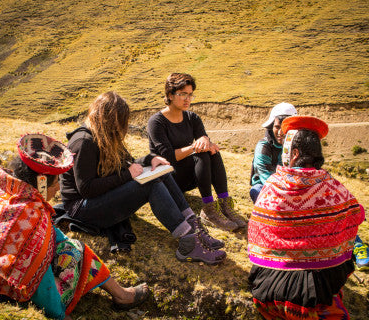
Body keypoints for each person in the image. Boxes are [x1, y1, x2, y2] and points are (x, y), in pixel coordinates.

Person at [0, 133, 150, 320]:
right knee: (74, 252)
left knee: (69, 245)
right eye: (56, 182)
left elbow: (52, 236)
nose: (58, 188)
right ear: (41, 183)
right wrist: (59, 315)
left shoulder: (11, 198)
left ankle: (120, 294)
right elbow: (38, 278)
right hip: (12, 296)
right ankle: (121, 297)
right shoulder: (32, 216)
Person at [59, 91, 226, 265]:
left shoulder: (105, 136)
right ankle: (188, 242)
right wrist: (126, 176)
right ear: (110, 121)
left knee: (161, 171)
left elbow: (128, 162)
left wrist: (150, 159)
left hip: (98, 198)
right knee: (149, 184)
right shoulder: (84, 142)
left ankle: (194, 227)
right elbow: (86, 188)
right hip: (82, 209)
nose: (122, 128)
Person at [248, 116, 365, 319]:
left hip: (273, 285)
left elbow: (257, 229)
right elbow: (358, 214)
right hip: (322, 282)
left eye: (285, 148)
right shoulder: (332, 186)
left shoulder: (274, 185)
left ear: (293, 153)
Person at [147, 73, 245, 232]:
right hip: (168, 179)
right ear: (170, 95)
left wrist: (206, 140)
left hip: (191, 174)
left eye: (190, 95)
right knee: (200, 153)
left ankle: (224, 204)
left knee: (212, 152)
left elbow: (203, 139)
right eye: (183, 94)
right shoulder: (156, 122)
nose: (188, 99)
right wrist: (195, 146)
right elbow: (168, 157)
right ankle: (208, 210)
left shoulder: (192, 118)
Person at [249, 102, 297, 203]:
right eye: (277, 127)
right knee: (257, 190)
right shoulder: (263, 147)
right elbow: (265, 177)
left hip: (290, 186)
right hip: (268, 186)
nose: (280, 132)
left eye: (285, 127)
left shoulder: (296, 146)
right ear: (272, 126)